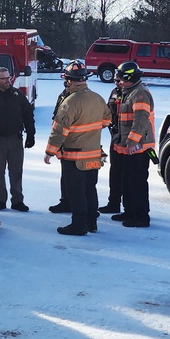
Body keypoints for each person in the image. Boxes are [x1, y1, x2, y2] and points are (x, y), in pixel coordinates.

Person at [43, 60, 111, 236]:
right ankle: (91, 222)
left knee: (76, 191)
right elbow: (106, 120)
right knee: (90, 188)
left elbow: (59, 130)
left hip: (74, 156)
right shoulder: (98, 98)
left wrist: (50, 152)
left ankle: (79, 225)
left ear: (69, 80)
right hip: (94, 154)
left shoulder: (70, 102)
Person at [109, 61, 155, 227]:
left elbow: (140, 120)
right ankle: (129, 211)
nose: (118, 82)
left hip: (138, 147)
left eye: (121, 79)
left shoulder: (140, 93)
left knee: (137, 183)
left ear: (130, 78)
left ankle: (141, 217)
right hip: (128, 146)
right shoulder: (128, 91)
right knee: (127, 181)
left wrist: (132, 141)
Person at [0, 66, 35, 212]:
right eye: (4, 78)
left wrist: (31, 134)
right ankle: (0, 200)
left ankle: (17, 200)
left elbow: (28, 114)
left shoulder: (17, 95)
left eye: (9, 77)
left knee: (16, 171)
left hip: (15, 139)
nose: (8, 81)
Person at [99, 82, 125, 214]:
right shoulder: (115, 92)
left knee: (127, 176)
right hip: (115, 137)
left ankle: (130, 208)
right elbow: (108, 111)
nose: (116, 82)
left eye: (119, 79)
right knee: (114, 173)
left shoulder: (135, 94)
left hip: (128, 141)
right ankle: (113, 203)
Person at [47, 86, 72, 213]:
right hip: (64, 143)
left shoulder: (79, 98)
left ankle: (79, 206)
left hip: (76, 143)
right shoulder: (63, 95)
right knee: (66, 174)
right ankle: (66, 201)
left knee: (79, 179)